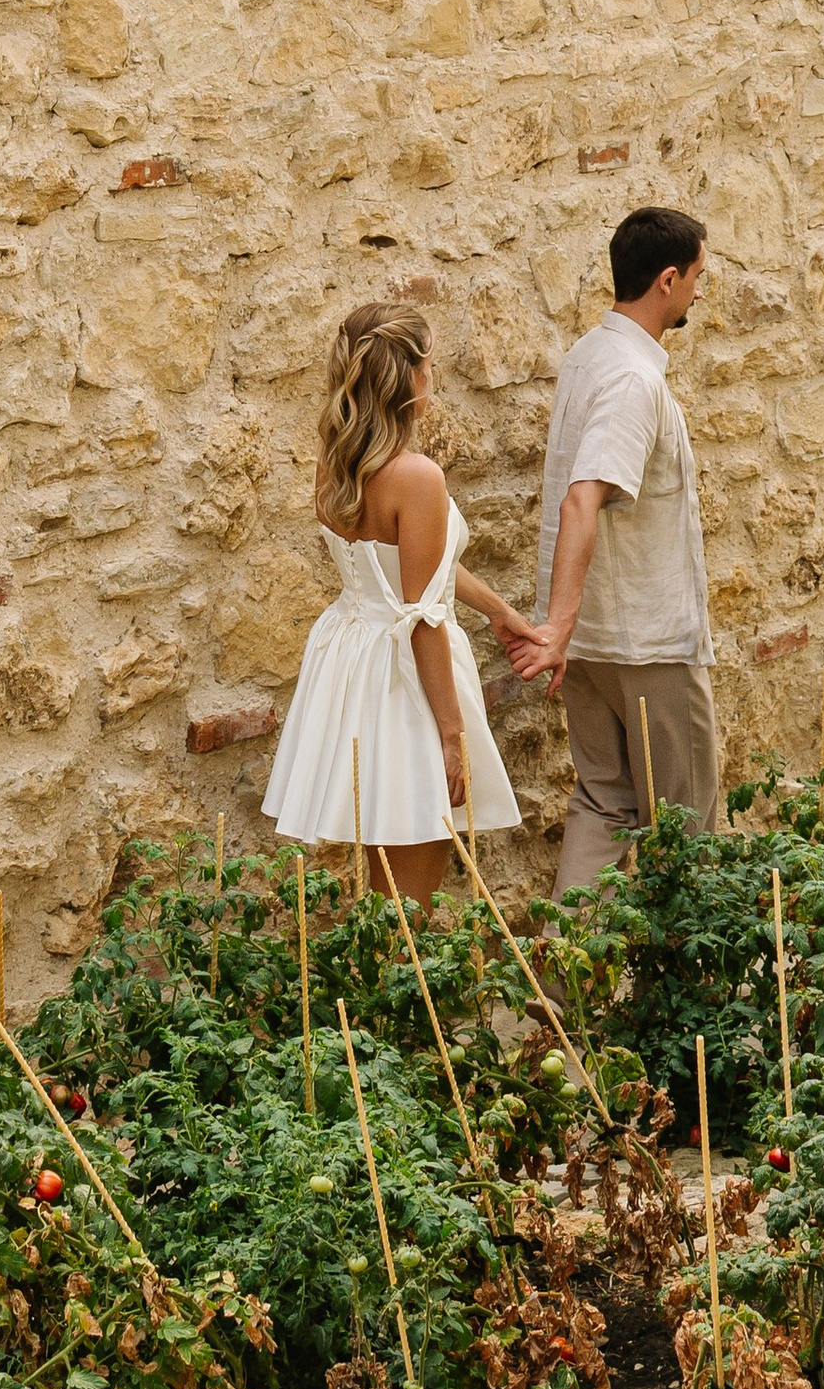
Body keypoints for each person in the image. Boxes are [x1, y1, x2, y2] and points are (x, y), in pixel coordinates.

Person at [261, 298, 539, 904]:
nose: (433, 377)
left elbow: (405, 566)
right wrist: (451, 734)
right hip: (404, 677)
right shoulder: (417, 477)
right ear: (409, 376)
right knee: (409, 899)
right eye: (429, 365)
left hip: (349, 657)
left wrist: (497, 610)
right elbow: (421, 617)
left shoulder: (335, 463)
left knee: (383, 886)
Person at [507, 204, 716, 891]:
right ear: (666, 280)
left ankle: (564, 959)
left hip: (595, 649)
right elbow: (582, 497)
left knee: (603, 803)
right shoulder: (632, 378)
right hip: (646, 646)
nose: (698, 293)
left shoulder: (587, 355)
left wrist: (565, 627)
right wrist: (557, 628)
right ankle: (687, 963)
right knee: (685, 826)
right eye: (696, 277)